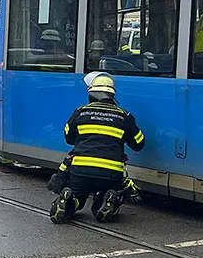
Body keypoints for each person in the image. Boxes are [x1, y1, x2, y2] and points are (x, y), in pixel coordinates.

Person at [49, 74, 145, 224]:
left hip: (81, 169)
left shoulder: (80, 112)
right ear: (112, 95)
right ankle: (106, 199)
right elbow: (139, 144)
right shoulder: (125, 116)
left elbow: (69, 139)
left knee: (79, 196)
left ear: (91, 94)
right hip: (111, 172)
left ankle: (70, 200)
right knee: (106, 192)